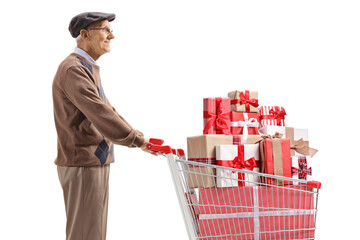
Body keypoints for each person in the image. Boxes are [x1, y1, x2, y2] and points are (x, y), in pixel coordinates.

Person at [52, 12, 156, 240]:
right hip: (83, 164)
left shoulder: (85, 67)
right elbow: (101, 115)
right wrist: (137, 140)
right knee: (85, 234)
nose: (112, 35)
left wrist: (140, 139)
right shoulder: (74, 69)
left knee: (93, 232)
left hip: (92, 161)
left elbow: (107, 110)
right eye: (105, 30)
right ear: (85, 34)